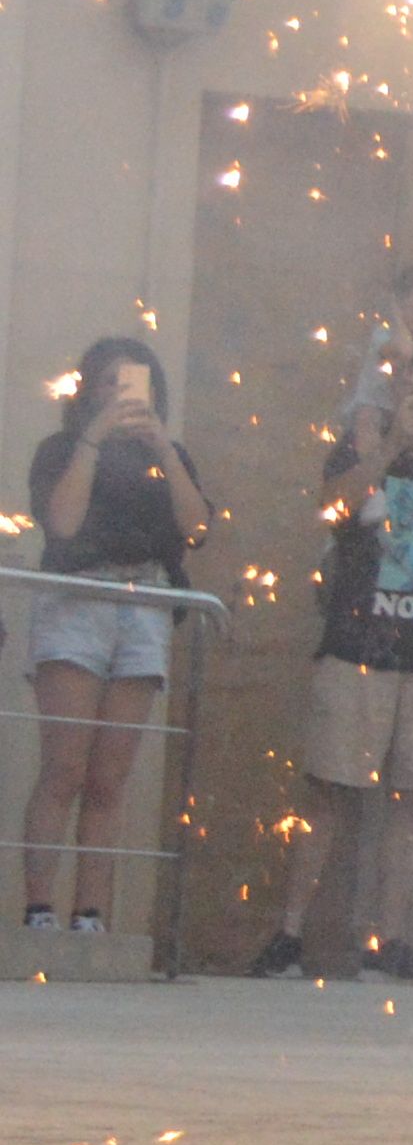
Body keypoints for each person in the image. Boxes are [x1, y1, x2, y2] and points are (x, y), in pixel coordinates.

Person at [262, 261, 413, 979]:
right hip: (359, 636)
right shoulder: (361, 430)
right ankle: (291, 935)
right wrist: (386, 445)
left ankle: (393, 942)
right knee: (329, 790)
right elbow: (334, 507)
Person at [24, 336, 217, 939]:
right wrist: (94, 437)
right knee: (64, 767)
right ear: (86, 390)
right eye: (108, 382)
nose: (120, 393)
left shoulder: (170, 454)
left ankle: (90, 914)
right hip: (80, 598)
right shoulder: (60, 448)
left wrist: (162, 448)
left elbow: (198, 528)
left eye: (132, 383)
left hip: (147, 604)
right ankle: (38, 909)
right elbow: (62, 522)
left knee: (110, 777)